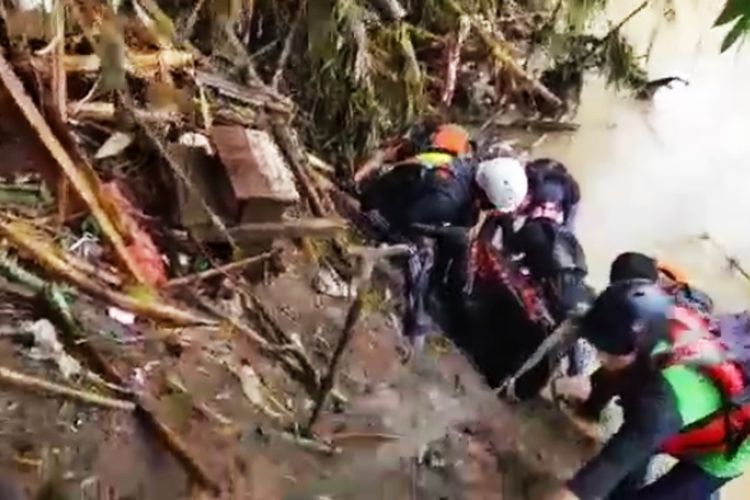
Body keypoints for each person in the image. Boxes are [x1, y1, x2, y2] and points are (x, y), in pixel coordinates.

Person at [542, 279, 750, 500]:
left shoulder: (656, 409)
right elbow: (611, 373)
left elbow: (597, 476)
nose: (599, 357)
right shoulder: (655, 323)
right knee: (626, 471)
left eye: (605, 350)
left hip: (723, 451)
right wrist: (590, 408)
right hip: (682, 409)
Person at [356, 139, 529, 349]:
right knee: (419, 254)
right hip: (379, 209)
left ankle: (447, 293)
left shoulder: (463, 168)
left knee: (455, 240)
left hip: (396, 192)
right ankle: (416, 321)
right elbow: (408, 222)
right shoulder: (446, 199)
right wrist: (445, 232)